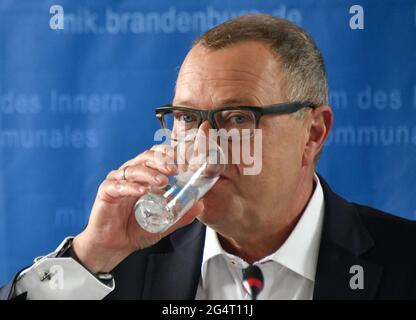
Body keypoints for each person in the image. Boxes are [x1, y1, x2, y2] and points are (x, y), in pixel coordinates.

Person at [1, 14, 416, 300]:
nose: (203, 145)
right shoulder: (114, 267)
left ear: (313, 133)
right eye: (185, 117)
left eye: (237, 118)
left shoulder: (404, 262)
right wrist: (91, 256)